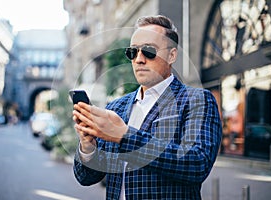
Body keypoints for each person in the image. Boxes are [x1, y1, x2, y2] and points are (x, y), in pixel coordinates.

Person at [72, 15, 222, 200]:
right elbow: (85, 177)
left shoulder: (197, 100)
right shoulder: (116, 107)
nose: (139, 59)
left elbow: (197, 164)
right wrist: (88, 147)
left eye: (149, 51)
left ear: (171, 55)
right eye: (133, 52)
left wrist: (124, 136)